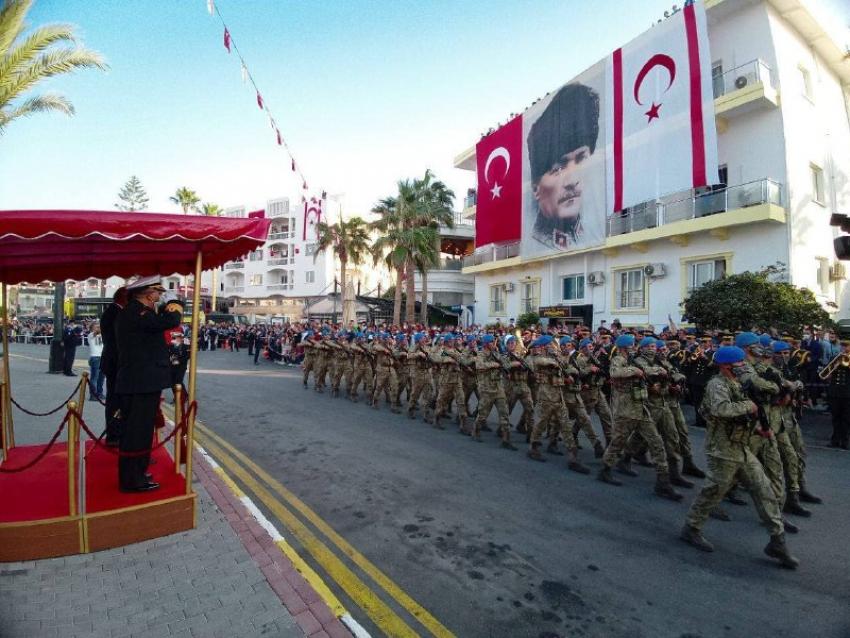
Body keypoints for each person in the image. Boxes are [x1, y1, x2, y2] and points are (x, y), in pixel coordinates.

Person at [680, 346, 799, 569]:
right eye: (740, 363)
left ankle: (777, 541)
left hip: (742, 448)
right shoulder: (717, 384)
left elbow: (745, 415)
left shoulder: (738, 383)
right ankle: (692, 527)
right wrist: (749, 405)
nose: (744, 366)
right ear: (727, 366)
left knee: (764, 491)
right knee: (713, 491)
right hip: (722, 450)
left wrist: (758, 428)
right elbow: (721, 409)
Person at [115, 276, 183, 493]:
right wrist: (175, 304)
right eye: (157, 292)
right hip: (140, 382)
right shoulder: (138, 313)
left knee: (139, 431)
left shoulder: (137, 312)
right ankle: (132, 479)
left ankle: (137, 472)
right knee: (137, 432)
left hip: (140, 381)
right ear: (147, 294)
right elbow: (171, 321)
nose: (160, 296)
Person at [527, 82, 600, 250]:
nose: (572, 181)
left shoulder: (588, 233)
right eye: (557, 169)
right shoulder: (535, 245)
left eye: (581, 159)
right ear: (536, 187)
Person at [100, 287, 127, 446]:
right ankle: (115, 434)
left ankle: (114, 433)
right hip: (116, 363)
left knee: (114, 400)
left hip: (112, 362)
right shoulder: (117, 314)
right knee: (116, 401)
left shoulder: (112, 312)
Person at [168, 332, 190, 402]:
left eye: (177, 337)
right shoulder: (171, 346)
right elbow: (168, 354)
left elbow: (187, 356)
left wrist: (179, 361)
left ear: (181, 338)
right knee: (172, 383)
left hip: (181, 367)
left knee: (178, 381)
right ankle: (176, 397)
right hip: (172, 366)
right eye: (174, 338)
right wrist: (170, 359)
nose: (175, 339)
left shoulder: (185, 346)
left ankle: (184, 396)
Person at [87, 324, 105, 400]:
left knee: (101, 377)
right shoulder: (91, 335)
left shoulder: (102, 335)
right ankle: (93, 395)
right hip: (95, 357)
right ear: (92, 329)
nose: (98, 328)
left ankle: (99, 393)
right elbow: (96, 332)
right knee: (94, 377)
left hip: (102, 357)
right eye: (96, 327)